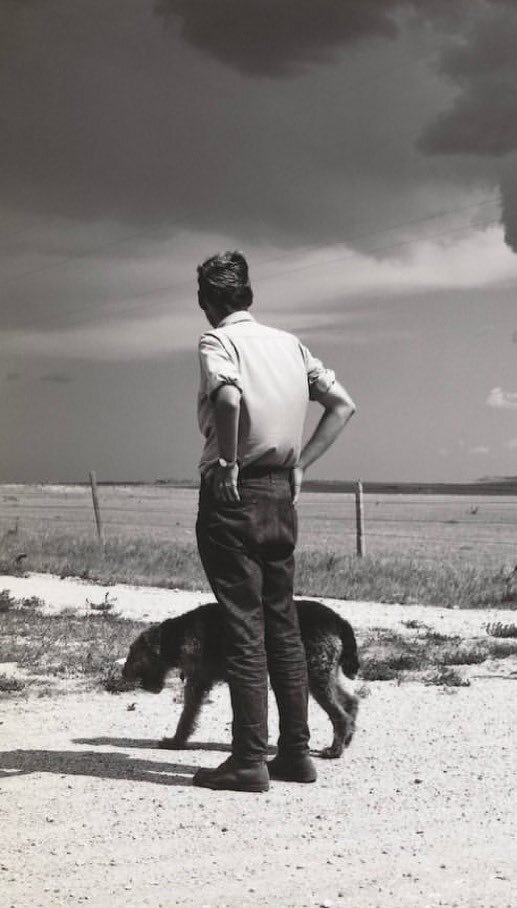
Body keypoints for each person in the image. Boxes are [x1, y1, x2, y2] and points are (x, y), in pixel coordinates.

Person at [190, 250, 355, 792]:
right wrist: (301, 464)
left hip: (233, 494)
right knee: (282, 623)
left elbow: (230, 397)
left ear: (207, 300)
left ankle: (246, 761)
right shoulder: (290, 344)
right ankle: (295, 754)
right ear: (249, 295)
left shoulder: (218, 341)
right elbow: (342, 405)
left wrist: (230, 461)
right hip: (281, 492)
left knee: (243, 625)